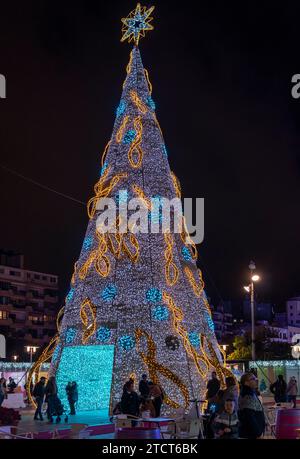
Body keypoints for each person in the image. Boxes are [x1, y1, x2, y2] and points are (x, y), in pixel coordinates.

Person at [238, 372, 265, 439]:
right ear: (246, 382)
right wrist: (258, 433)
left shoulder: (250, 392)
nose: (256, 380)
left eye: (255, 378)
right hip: (251, 434)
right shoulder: (247, 395)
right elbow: (249, 416)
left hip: (251, 433)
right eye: (253, 379)